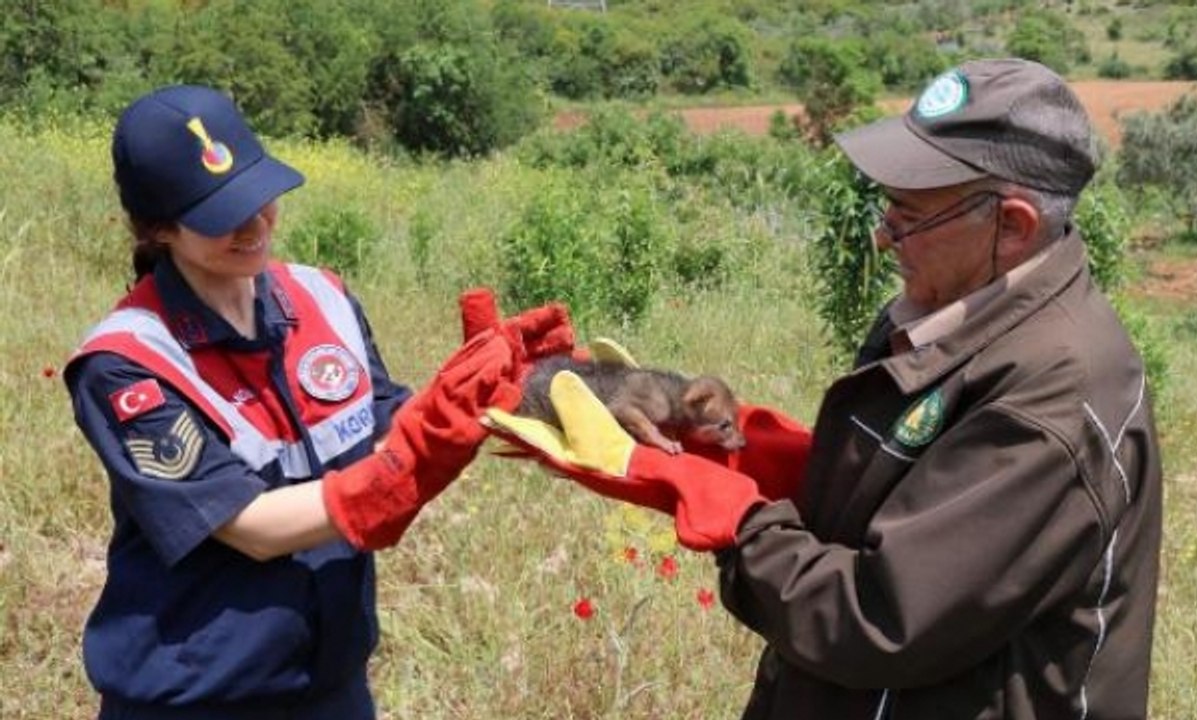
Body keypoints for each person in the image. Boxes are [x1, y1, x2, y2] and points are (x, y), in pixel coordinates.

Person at [487, 58, 1162, 719]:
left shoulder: (1056, 401)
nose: (882, 234)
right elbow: (917, 504)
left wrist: (739, 520)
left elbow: (879, 619)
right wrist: (768, 461)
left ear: (1012, 226)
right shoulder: (943, 309)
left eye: (908, 216)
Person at [64, 85, 572, 719]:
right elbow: (252, 529)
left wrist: (472, 401)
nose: (254, 226)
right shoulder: (129, 362)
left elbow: (384, 428)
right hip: (200, 695)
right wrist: (402, 475)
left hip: (329, 682)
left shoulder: (320, 298)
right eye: (222, 215)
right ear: (160, 229)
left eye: (259, 197)